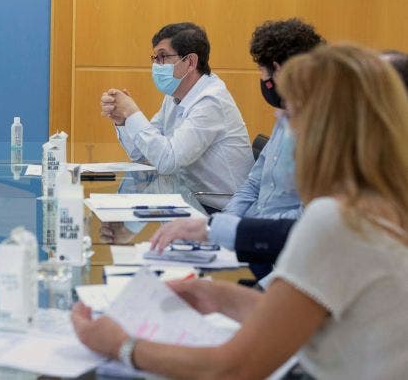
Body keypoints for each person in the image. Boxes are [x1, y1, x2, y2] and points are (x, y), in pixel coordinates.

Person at [72, 44, 408, 379]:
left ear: (328, 131)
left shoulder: (337, 221)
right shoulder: (384, 207)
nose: (281, 123)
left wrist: (122, 346)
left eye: (290, 113)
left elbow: (232, 368)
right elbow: (299, 318)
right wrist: (217, 295)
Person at [151, 19, 324, 280]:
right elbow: (253, 183)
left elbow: (309, 218)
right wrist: (220, 228)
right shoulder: (288, 115)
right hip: (253, 236)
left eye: (261, 71)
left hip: (284, 253)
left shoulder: (324, 131)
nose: (261, 79)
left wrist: (235, 230)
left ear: (277, 71)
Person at [101, 22, 253, 211]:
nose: (157, 65)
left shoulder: (211, 101)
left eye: (163, 57)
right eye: (155, 58)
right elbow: (141, 154)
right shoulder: (175, 95)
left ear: (190, 62)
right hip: (188, 198)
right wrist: (123, 121)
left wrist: (132, 112)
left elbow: (167, 162)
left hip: (221, 210)